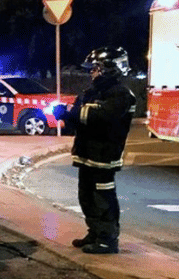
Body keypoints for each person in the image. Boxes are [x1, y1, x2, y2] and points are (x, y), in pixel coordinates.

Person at [53, 46, 136, 254]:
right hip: (87, 154)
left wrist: (71, 113)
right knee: (86, 196)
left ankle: (108, 239)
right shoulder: (91, 92)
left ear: (110, 68)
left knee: (103, 198)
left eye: (96, 68)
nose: (92, 72)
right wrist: (63, 115)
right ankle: (95, 232)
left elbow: (100, 117)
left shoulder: (121, 94)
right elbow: (78, 117)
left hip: (104, 156)